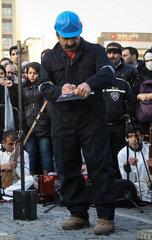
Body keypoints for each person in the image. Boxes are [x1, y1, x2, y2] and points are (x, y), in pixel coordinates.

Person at [37, 11, 116, 235]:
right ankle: (78, 213)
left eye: (75, 36)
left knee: (99, 166)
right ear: (57, 35)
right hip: (62, 120)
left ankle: (106, 216)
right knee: (67, 166)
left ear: (81, 33)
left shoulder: (96, 51)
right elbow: (42, 85)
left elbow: (108, 72)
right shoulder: (49, 58)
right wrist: (58, 89)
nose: (70, 42)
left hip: (91, 118)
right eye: (66, 38)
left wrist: (90, 84)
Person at [22, 62, 53, 176]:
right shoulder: (23, 88)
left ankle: (47, 179)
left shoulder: (43, 87)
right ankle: (30, 178)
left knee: (45, 153)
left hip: (43, 125)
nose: (32, 75)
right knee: (30, 153)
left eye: (35, 73)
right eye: (29, 73)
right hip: (29, 125)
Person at [102, 76, 136, 179]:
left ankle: (121, 182)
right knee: (104, 157)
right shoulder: (96, 84)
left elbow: (132, 101)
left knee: (120, 155)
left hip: (119, 127)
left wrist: (128, 117)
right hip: (101, 128)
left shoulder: (122, 84)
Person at [118, 125, 152, 202]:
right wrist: (127, 168)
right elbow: (128, 182)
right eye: (130, 136)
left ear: (142, 137)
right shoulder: (122, 154)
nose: (134, 139)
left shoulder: (149, 149)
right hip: (137, 186)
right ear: (126, 139)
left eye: (137, 136)